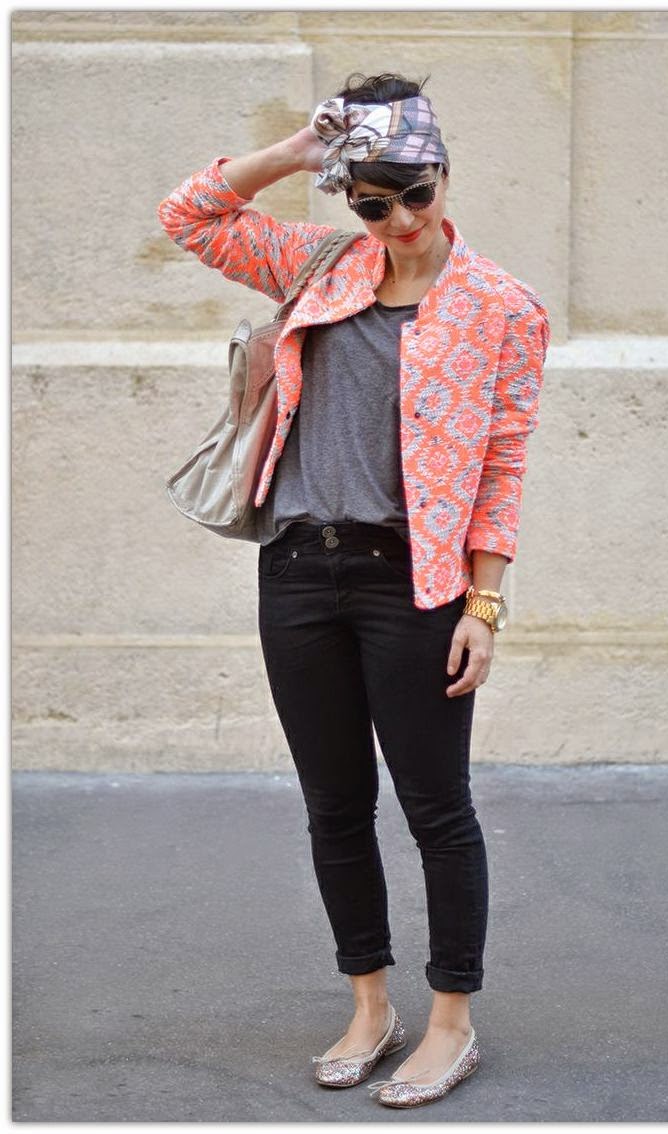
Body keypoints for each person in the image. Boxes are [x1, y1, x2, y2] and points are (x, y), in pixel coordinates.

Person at [157, 71, 549, 1109]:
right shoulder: (319, 263)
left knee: (436, 808)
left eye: (416, 191)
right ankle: (370, 1006)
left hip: (409, 582)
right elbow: (188, 215)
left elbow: (502, 467)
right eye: (375, 201)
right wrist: (295, 153)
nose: (403, 218)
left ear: (444, 175)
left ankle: (452, 1021)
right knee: (334, 805)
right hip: (297, 571)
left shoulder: (503, 307)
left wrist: (483, 606)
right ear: (351, 200)